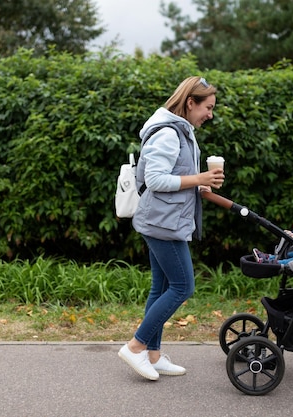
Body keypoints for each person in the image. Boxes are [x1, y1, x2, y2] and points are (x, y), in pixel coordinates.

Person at [118, 76, 224, 381]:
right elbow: (156, 180)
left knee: (161, 287)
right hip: (162, 223)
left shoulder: (181, 131)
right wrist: (199, 179)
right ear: (190, 103)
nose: (210, 114)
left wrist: (199, 186)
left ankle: (152, 355)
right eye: (208, 107)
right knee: (183, 286)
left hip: (164, 220)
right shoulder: (168, 133)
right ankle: (135, 346)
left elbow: (175, 177)